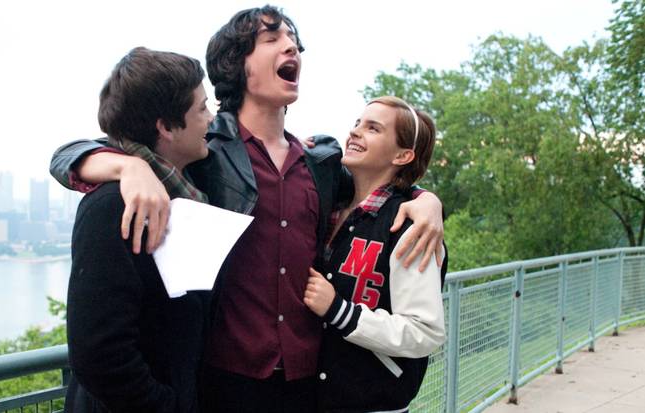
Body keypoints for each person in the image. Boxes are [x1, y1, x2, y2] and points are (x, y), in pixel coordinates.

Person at [50, 6, 445, 412]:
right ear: (238, 64)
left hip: (308, 383)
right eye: (272, 39)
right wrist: (127, 165)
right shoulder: (203, 153)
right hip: (223, 382)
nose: (291, 46)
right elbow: (83, 150)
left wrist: (427, 201)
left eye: (293, 40)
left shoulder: (321, 162)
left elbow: (381, 189)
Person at [64, 47, 214, 413]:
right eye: (201, 109)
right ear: (165, 126)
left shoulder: (182, 190)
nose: (211, 118)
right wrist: (166, 405)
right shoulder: (112, 206)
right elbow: (99, 351)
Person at [303, 96, 447, 413]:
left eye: (373, 128)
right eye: (357, 123)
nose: (355, 132)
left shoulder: (410, 226)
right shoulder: (331, 209)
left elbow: (425, 331)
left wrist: (339, 311)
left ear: (403, 155)